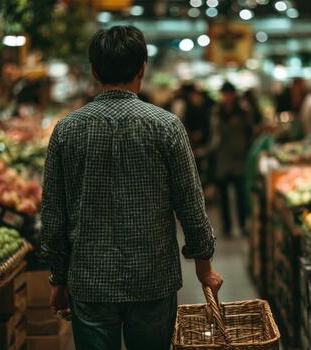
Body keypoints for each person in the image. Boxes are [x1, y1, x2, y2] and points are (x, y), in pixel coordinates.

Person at [40, 26, 223, 350]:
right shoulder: (166, 126)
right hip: (153, 278)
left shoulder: (66, 130)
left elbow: (53, 214)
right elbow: (191, 204)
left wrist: (58, 277)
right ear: (142, 68)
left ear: (95, 71)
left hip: (89, 279)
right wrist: (204, 266)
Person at [212, 82, 252, 237]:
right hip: (223, 157)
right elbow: (214, 133)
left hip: (239, 158)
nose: (227, 97)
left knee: (240, 194)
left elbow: (250, 131)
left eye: (229, 93)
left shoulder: (243, 111)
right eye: (224, 94)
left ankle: (242, 225)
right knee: (223, 196)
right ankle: (227, 226)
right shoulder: (217, 111)